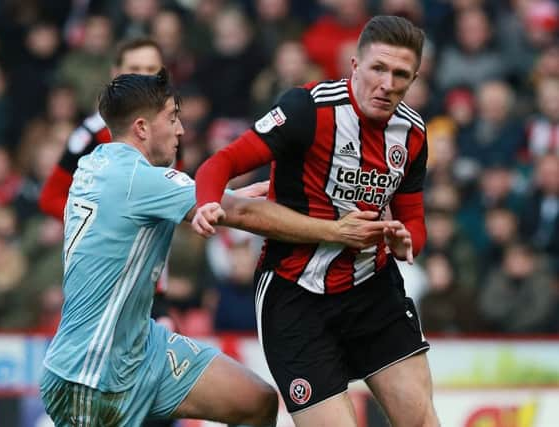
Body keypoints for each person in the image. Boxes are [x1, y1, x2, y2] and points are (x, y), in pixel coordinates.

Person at [39, 70, 404, 427]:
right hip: (90, 372)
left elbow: (175, 203)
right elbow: (239, 213)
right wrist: (336, 231)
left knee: (255, 402)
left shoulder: (97, 163)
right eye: (172, 118)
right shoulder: (140, 180)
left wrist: (225, 199)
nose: (181, 130)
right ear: (141, 128)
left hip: (142, 349)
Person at [193, 15, 438, 427]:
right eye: (379, 68)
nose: (388, 83)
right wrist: (205, 204)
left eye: (401, 75)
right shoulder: (308, 109)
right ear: (356, 66)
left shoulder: (412, 133)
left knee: (421, 421)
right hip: (295, 295)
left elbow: (413, 217)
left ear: (413, 80)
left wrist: (407, 241)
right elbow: (222, 163)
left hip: (371, 289)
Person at [38, 37, 166, 220]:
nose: (143, 77)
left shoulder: (173, 129)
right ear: (115, 73)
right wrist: (98, 223)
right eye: (134, 69)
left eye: (151, 70)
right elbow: (50, 198)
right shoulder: (92, 134)